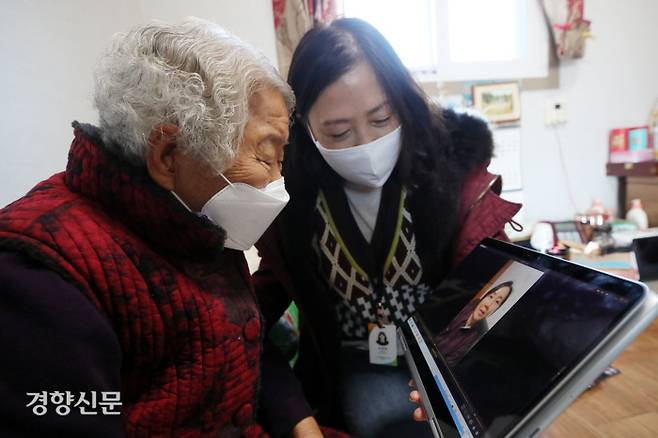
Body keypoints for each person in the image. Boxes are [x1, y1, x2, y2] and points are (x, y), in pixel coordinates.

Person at [0, 18, 329, 438]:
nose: (276, 182)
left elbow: (240, 340)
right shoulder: (38, 277)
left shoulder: (193, 217)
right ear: (170, 154)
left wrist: (300, 422)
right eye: (266, 158)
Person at [254, 18, 521, 438]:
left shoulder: (452, 176)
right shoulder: (293, 200)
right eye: (338, 132)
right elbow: (256, 304)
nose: (364, 144)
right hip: (363, 363)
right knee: (388, 421)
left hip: (449, 357)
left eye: (381, 120)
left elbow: (501, 286)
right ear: (303, 124)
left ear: (402, 101)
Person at [434, 281, 514, 366]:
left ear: (497, 309)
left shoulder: (475, 337)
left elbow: (447, 364)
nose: (489, 304)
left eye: (497, 302)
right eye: (491, 296)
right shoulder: (464, 305)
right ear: (484, 297)